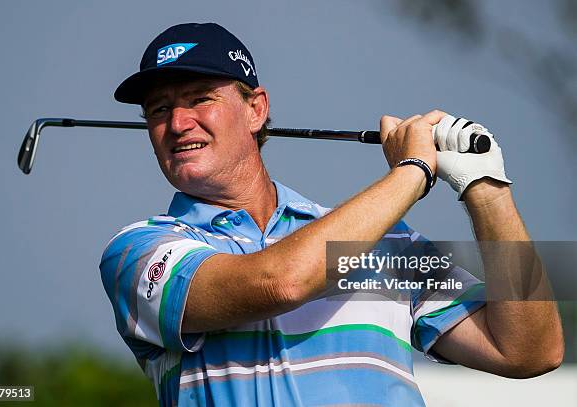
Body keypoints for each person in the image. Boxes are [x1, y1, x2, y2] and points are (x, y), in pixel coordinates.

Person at [100, 22, 564, 406]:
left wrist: (486, 189)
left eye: (200, 98)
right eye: (159, 109)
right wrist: (414, 170)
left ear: (256, 109)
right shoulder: (139, 252)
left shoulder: (387, 245)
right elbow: (281, 281)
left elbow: (529, 351)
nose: (177, 124)